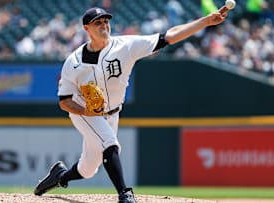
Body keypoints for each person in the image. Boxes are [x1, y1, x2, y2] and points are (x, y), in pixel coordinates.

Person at [33, 6, 228, 203]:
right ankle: (124, 194)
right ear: (87, 28)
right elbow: (64, 101)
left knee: (88, 169)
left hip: (113, 113)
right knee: (110, 143)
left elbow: (168, 36)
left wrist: (204, 22)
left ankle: (59, 176)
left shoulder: (125, 46)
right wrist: (86, 110)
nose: (104, 25)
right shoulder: (73, 62)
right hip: (84, 113)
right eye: (98, 23)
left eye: (106, 21)